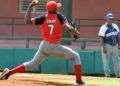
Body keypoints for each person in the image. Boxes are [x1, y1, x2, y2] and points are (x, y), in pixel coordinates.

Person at [0, 0, 84, 85]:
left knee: (31, 64)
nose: (58, 9)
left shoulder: (43, 18)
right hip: (54, 46)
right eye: (57, 8)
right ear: (55, 10)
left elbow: (27, 21)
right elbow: (68, 27)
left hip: (44, 46)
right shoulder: (59, 17)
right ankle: (79, 81)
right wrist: (76, 33)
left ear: (48, 10)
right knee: (76, 57)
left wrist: (30, 6)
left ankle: (9, 72)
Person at [98, 12, 120, 77]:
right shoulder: (103, 27)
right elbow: (101, 38)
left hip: (115, 45)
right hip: (107, 45)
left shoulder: (115, 26)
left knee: (117, 60)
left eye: (111, 18)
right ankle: (107, 76)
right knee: (106, 61)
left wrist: (119, 44)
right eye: (109, 18)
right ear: (106, 19)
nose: (111, 20)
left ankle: (118, 75)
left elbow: (118, 35)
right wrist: (103, 47)